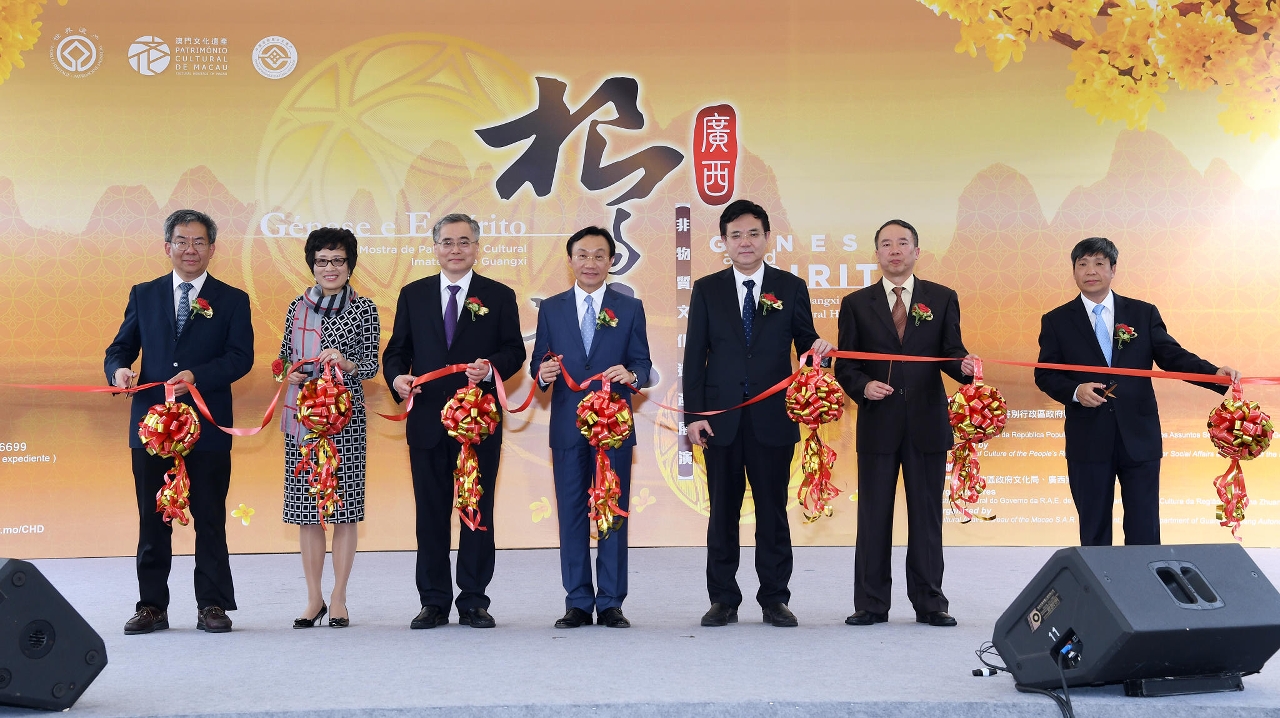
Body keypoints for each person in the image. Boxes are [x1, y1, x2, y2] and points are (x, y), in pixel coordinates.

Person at [683, 199, 833, 629]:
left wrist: (819, 351)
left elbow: (805, 343)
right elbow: (696, 356)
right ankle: (723, 600)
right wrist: (695, 415)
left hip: (773, 419)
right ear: (724, 242)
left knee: (772, 512)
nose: (745, 242)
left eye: (753, 234)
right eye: (736, 235)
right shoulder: (708, 289)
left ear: (768, 238)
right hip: (720, 419)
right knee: (722, 513)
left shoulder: (790, 287)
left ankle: (774, 599)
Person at [105, 209, 253, 635]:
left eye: (200, 242)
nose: (191, 249)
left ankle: (212, 605)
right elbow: (120, 348)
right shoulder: (144, 293)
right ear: (167, 246)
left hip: (206, 426)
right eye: (183, 241)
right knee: (153, 519)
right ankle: (152, 606)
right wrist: (118, 371)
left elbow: (240, 357)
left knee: (209, 517)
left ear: (212, 248)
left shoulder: (232, 299)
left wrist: (197, 376)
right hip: (153, 427)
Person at [1034, 237, 1237, 546]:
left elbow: (1173, 356)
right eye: (1082, 264)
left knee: (1144, 529)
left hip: (1139, 437)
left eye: (1099, 263)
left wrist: (1214, 375)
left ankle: (1144, 591)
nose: (1091, 271)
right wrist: (1075, 390)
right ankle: (1100, 591)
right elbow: (1045, 373)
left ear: (1113, 269)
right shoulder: (1057, 320)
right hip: (1088, 438)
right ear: (1074, 271)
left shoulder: (1142, 313)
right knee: (1094, 528)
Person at [383, 213, 526, 630]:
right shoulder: (414, 294)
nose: (456, 249)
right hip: (427, 421)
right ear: (435, 248)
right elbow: (396, 351)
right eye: (447, 242)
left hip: (477, 424)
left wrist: (492, 367)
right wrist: (397, 378)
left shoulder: (498, 295)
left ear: (477, 247)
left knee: (477, 511)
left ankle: (474, 600)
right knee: (430, 514)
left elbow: (514, 350)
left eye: (464, 241)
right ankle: (433, 601)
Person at [834, 219, 975, 628]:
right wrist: (863, 386)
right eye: (885, 244)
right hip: (878, 423)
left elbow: (951, 352)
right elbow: (847, 365)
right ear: (876, 254)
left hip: (927, 422)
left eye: (903, 243)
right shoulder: (856, 304)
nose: (894, 250)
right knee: (873, 516)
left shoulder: (942, 297)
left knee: (927, 517)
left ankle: (931, 602)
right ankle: (871, 603)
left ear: (917, 252)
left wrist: (965, 368)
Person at [531, 226, 652, 629]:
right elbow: (538, 365)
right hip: (567, 426)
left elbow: (643, 365)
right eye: (582, 255)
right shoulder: (551, 308)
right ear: (570, 260)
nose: (591, 263)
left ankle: (612, 601)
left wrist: (631, 374)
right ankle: (578, 601)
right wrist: (544, 373)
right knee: (572, 514)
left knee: (613, 512)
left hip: (612, 425)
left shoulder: (629, 307)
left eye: (600, 255)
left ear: (611, 262)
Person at [278, 228, 380, 628]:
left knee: (345, 512)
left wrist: (346, 362)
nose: (330, 268)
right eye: (322, 261)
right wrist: (290, 373)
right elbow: (283, 358)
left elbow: (372, 364)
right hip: (302, 423)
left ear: (350, 264)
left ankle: (339, 598)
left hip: (345, 424)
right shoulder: (296, 307)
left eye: (338, 260)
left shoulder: (364, 308)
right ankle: (314, 598)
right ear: (312, 265)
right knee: (307, 514)